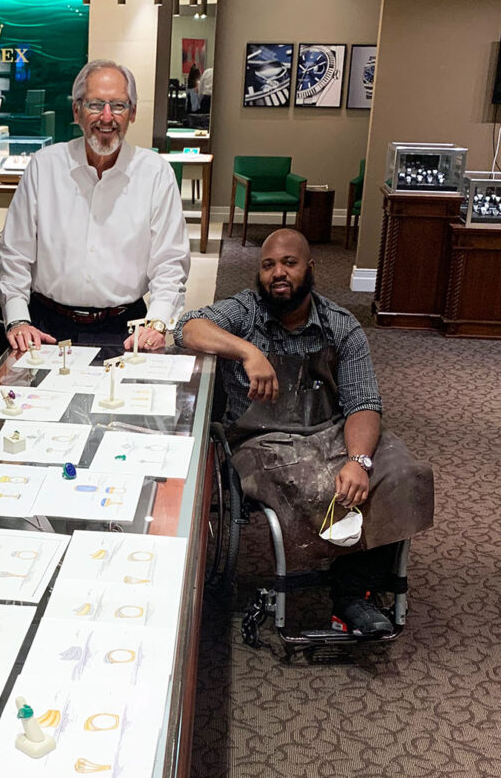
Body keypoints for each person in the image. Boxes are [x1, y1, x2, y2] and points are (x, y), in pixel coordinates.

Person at [174, 228, 434, 636]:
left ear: (309, 268)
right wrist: (248, 351)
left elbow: (364, 403)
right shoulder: (245, 312)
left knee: (403, 474)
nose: (278, 273)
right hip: (260, 442)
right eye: (268, 265)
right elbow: (187, 327)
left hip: (330, 435)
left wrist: (358, 461)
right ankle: (345, 588)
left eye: (289, 264)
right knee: (317, 485)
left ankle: (354, 589)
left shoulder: (341, 327)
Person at [0, 59, 190, 353]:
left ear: (133, 113)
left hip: (127, 328)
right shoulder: (44, 167)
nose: (107, 117)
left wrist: (158, 322)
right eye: (95, 104)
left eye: (119, 106)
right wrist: (17, 320)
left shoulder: (155, 173)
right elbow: (15, 253)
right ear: (76, 111)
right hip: (44, 327)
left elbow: (170, 261)